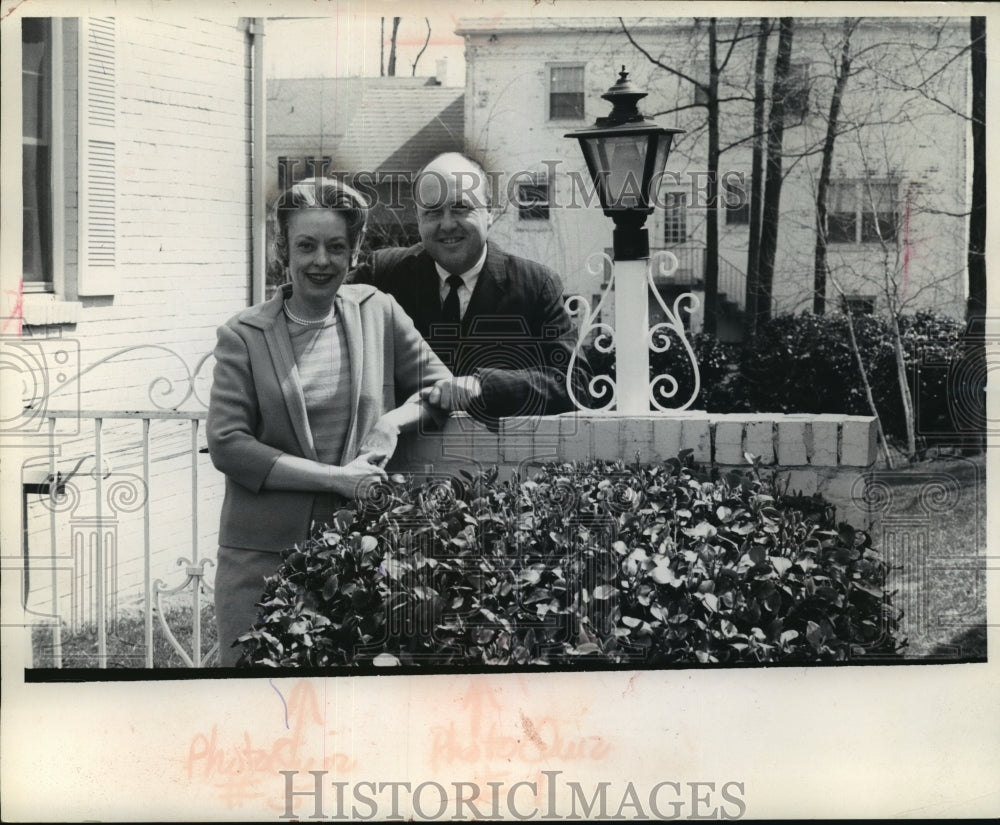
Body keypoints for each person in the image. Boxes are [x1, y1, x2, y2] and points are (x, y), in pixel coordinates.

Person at [207, 178, 451, 666]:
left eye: (336, 246)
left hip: (357, 556)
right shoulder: (244, 334)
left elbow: (440, 388)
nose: (321, 260)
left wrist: (391, 424)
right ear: (284, 251)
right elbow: (228, 444)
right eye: (306, 246)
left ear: (354, 251)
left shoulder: (376, 311)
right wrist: (339, 480)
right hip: (262, 563)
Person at [352, 152, 588, 424]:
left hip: (501, 461)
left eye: (461, 208)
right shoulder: (383, 275)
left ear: (490, 212)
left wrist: (482, 386)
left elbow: (576, 384)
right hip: (398, 458)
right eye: (432, 212)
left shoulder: (535, 286)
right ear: (418, 220)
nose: (447, 223)